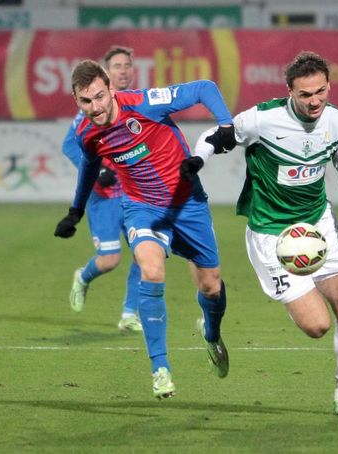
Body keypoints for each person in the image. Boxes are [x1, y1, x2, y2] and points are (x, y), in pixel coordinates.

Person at [188, 51, 338, 417]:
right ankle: (294, 295)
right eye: (305, 94)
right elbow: (213, 135)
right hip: (273, 236)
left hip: (319, 226)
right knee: (317, 326)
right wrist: (198, 161)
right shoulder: (262, 119)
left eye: (320, 92)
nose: (314, 101)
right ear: (290, 92)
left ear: (329, 86)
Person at [54, 59, 237, 399]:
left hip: (188, 205)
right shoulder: (86, 134)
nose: (95, 108)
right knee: (151, 271)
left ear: (111, 89)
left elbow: (204, 88)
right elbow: (89, 169)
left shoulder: (144, 103)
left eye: (99, 97)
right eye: (85, 101)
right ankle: (160, 369)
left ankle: (211, 334)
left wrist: (225, 124)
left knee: (211, 286)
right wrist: (75, 211)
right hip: (141, 208)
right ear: (76, 101)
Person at [61, 46, 142, 332]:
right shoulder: (91, 108)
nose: (124, 70)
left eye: (127, 65)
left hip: (135, 194)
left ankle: (129, 314)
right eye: (117, 66)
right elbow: (69, 145)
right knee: (110, 259)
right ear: (106, 75)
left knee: (147, 254)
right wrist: (100, 172)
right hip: (105, 197)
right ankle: (83, 277)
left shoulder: (137, 102)